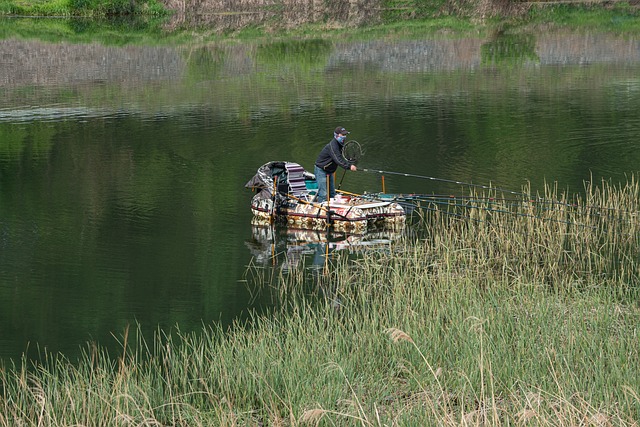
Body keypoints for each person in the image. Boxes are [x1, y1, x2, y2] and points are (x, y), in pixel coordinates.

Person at [314, 126, 357, 203]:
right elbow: (338, 159)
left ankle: (333, 208)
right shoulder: (333, 146)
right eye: (342, 135)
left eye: (345, 135)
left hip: (329, 171)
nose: (344, 137)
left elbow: (341, 157)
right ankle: (321, 210)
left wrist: (349, 162)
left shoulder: (340, 145)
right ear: (336, 135)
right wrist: (349, 166)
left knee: (332, 194)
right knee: (323, 194)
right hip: (321, 170)